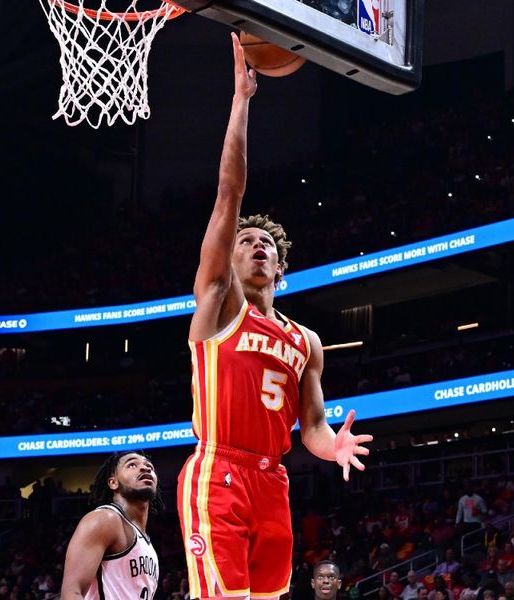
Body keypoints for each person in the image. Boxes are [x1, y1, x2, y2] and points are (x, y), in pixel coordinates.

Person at [177, 32, 373, 600]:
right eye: (245, 242)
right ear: (229, 261)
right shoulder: (219, 303)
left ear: (281, 265)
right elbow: (227, 194)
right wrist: (241, 100)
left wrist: (331, 445)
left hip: (273, 479)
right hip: (220, 471)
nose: (256, 246)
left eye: (266, 243)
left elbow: (310, 424)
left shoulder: (305, 339)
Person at [61, 451, 160, 600]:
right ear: (113, 482)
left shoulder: (147, 543)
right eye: (132, 465)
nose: (145, 468)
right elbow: (72, 593)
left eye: (149, 466)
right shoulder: (105, 519)